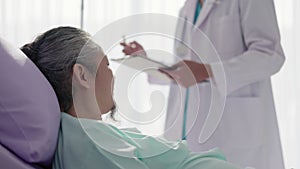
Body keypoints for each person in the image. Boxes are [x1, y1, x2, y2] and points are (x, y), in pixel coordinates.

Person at [21, 26, 241, 169]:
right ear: (82, 75)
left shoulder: (89, 135)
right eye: (106, 65)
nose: (112, 74)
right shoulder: (90, 145)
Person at [121, 0, 285, 168]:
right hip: (187, 128)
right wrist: (149, 61)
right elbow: (187, 68)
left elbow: (271, 55)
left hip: (232, 126)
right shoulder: (188, 7)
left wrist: (209, 71)